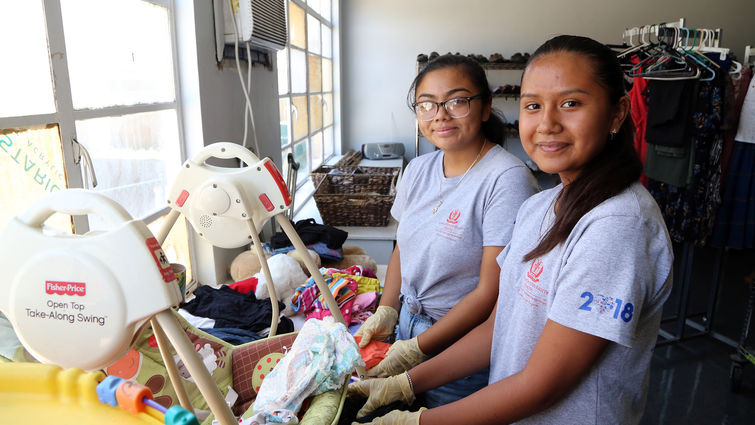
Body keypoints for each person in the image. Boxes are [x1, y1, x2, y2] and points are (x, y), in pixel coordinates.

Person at [348, 35, 674, 424]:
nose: (548, 123)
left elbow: (543, 384)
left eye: (571, 103)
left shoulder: (617, 226)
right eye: (533, 105)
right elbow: (499, 326)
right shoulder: (541, 207)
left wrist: (416, 420)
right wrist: (406, 383)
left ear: (618, 112)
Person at [354, 54, 538, 407]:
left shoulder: (506, 180)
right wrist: (388, 309)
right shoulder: (418, 170)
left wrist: (418, 349)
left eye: (457, 101)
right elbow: (400, 251)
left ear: (484, 108)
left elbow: (490, 292)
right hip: (405, 324)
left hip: (460, 343)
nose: (440, 114)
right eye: (427, 104)